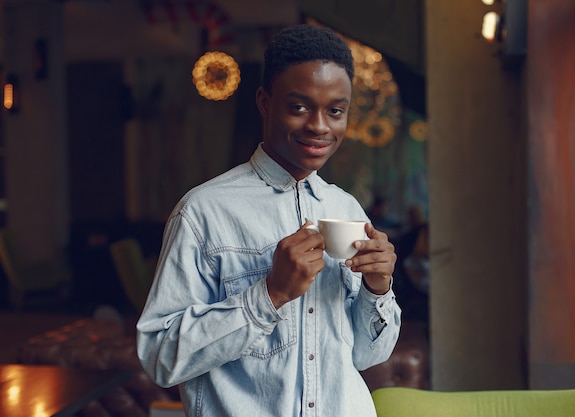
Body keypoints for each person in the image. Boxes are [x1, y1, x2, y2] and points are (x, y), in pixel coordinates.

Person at [136, 24, 401, 417]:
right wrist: (270, 294)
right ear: (264, 102)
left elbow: (367, 355)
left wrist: (378, 290)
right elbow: (159, 357)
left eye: (335, 111)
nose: (320, 126)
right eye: (299, 107)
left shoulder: (347, 209)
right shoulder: (203, 212)